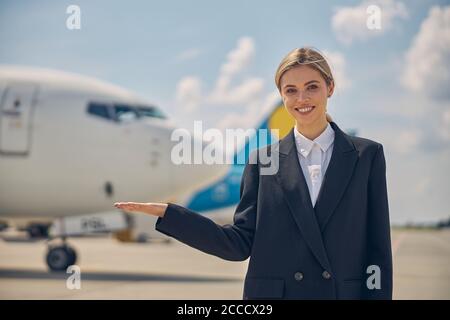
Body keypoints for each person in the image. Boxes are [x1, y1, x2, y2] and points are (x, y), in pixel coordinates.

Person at [114, 47, 393, 300]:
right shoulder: (263, 161)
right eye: (291, 90)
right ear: (281, 95)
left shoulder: (366, 156)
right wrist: (171, 215)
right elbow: (238, 244)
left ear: (330, 88)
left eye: (312, 87)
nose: (302, 98)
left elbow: (377, 250)